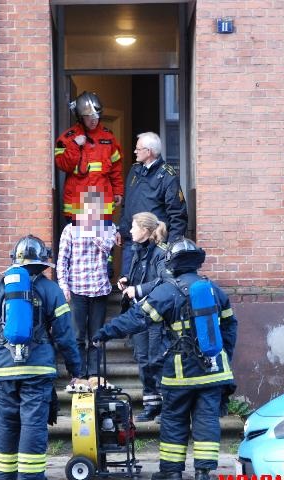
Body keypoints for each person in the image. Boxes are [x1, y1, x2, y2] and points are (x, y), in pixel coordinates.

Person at [93, 238, 237, 480]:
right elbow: (230, 326)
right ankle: (203, 474)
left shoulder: (167, 291)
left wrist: (105, 331)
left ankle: (172, 473)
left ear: (173, 263)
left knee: (174, 419)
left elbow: (137, 319)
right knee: (207, 421)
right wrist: (223, 356)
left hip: (179, 372)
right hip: (214, 370)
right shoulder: (213, 288)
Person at [0, 235, 82, 480]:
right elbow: (65, 334)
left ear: (15, 260)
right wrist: (75, 369)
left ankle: (3, 479)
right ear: (43, 263)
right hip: (37, 368)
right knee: (33, 423)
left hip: (4, 366)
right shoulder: (51, 290)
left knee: (7, 422)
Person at [57, 189, 117, 378]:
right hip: (77, 289)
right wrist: (63, 286)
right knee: (77, 336)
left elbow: (108, 247)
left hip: (100, 289)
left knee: (96, 336)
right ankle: (78, 374)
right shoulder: (70, 229)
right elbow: (62, 260)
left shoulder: (109, 227)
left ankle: (94, 375)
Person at [116, 212, 169, 422]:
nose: (130, 231)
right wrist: (127, 280)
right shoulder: (137, 250)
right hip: (139, 315)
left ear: (145, 231)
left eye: (133, 227)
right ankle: (151, 406)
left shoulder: (161, 253)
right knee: (143, 360)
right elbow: (141, 275)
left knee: (157, 360)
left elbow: (163, 281)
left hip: (156, 316)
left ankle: (167, 407)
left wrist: (136, 289)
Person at [117, 132, 188, 275]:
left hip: (154, 245)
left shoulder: (167, 176)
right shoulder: (135, 170)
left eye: (138, 148)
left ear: (148, 152)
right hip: (132, 241)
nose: (135, 151)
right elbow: (127, 204)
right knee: (127, 283)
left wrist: (170, 246)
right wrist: (121, 229)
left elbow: (178, 215)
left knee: (150, 288)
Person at [54, 91, 124, 223]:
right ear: (80, 117)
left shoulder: (108, 137)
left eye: (96, 116)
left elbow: (116, 168)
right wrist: (74, 145)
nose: (93, 120)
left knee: (102, 243)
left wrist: (118, 191)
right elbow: (63, 165)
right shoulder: (67, 138)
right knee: (80, 244)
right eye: (89, 116)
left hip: (101, 201)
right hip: (78, 201)